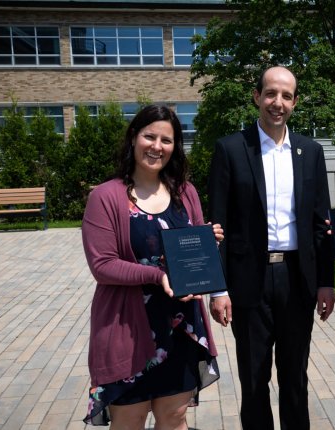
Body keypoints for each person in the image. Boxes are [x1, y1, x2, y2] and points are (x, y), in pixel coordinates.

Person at [208, 65, 335, 430]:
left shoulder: (310, 151)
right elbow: (218, 226)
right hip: (248, 283)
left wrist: (326, 281)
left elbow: (320, 224)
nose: (277, 103)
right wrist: (218, 289)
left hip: (298, 280)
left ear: (295, 102)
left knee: (295, 378)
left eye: (286, 96)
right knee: (254, 379)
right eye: (270, 94)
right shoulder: (231, 149)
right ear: (256, 97)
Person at [81, 104, 221, 429]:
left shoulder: (185, 193)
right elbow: (102, 265)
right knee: (129, 419)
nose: (157, 146)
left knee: (175, 417)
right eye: (150, 136)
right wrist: (158, 276)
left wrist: (207, 241)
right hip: (128, 328)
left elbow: (194, 254)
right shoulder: (105, 197)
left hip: (181, 326)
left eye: (167, 140)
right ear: (133, 137)